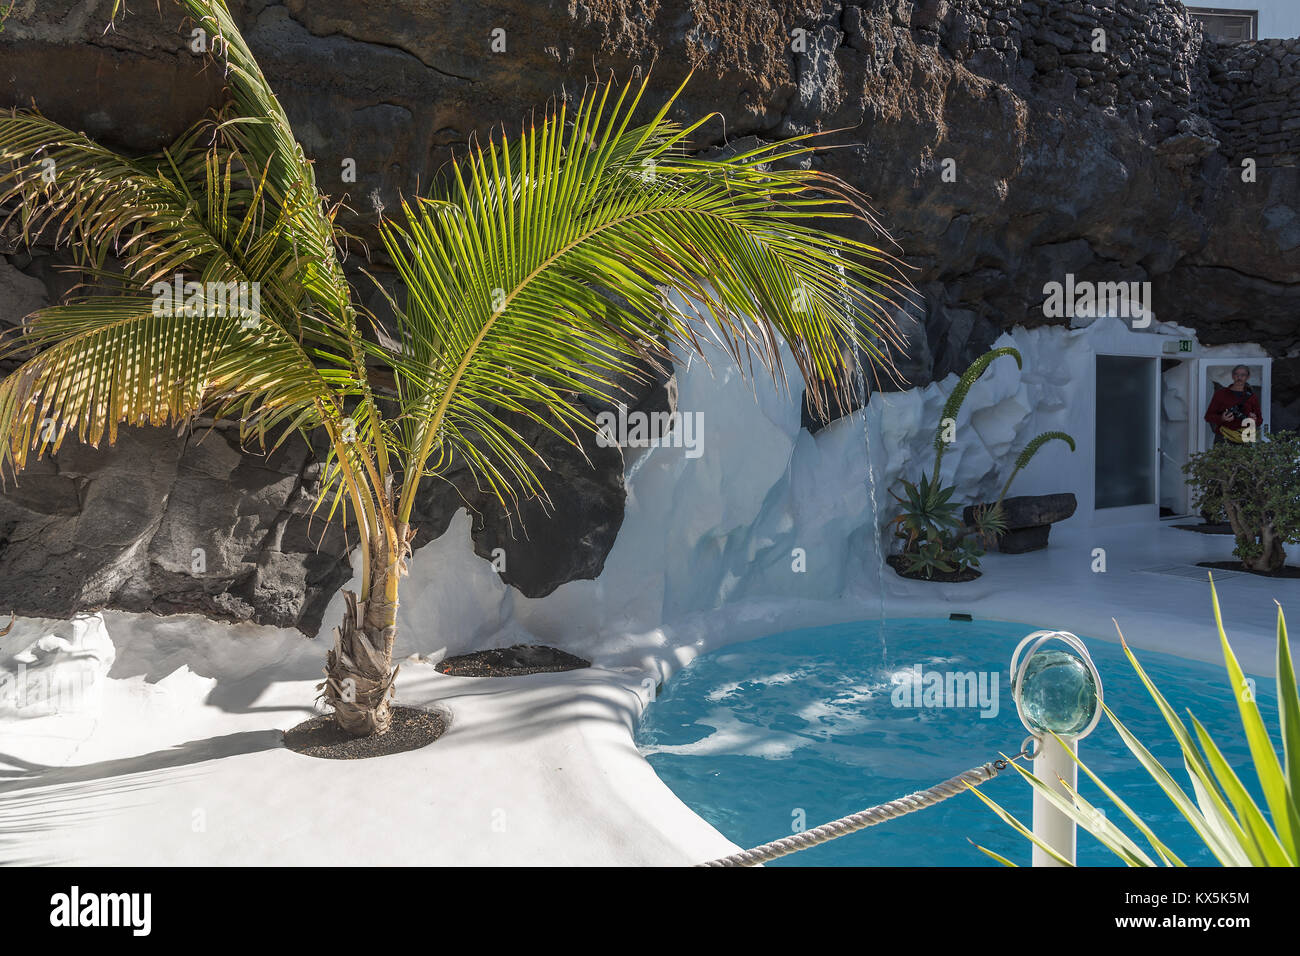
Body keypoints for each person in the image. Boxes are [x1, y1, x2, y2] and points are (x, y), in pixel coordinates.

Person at [1203, 365, 1263, 444]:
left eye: (1243, 375)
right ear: (1232, 376)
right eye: (1236, 374)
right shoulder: (1221, 394)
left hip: (1243, 439)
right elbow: (1208, 417)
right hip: (1223, 438)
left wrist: (1254, 419)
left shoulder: (1252, 397)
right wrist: (1222, 418)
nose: (1239, 377)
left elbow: (1260, 420)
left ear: (1247, 377)